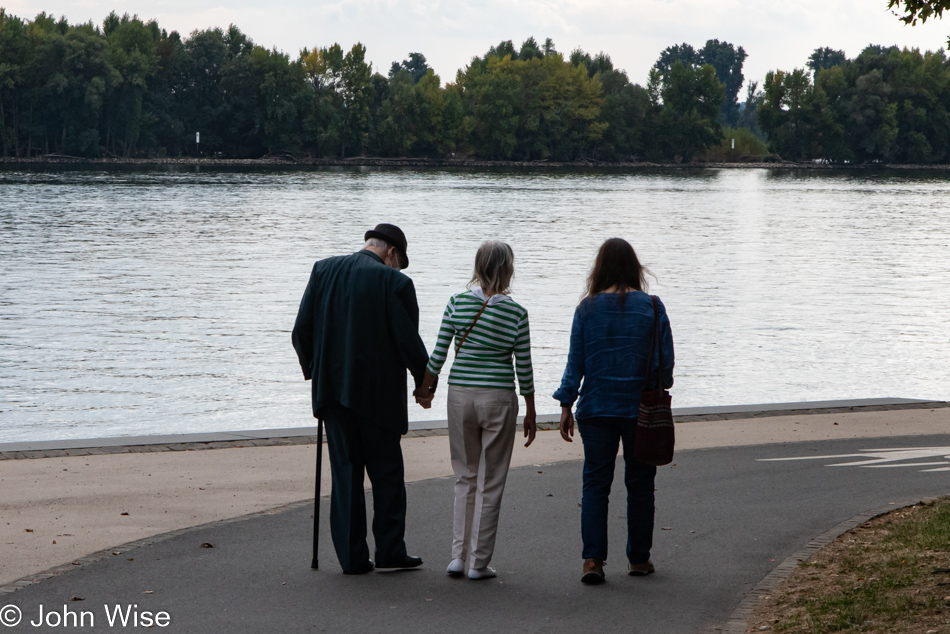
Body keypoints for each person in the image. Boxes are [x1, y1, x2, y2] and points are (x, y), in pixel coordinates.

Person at [292, 223, 435, 575]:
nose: (397, 268)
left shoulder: (323, 269)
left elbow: (301, 332)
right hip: (377, 395)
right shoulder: (395, 283)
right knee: (387, 473)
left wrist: (317, 371)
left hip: (332, 394)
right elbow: (407, 341)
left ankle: (352, 558)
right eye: (398, 262)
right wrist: (424, 382)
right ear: (391, 252)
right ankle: (389, 551)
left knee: (345, 474)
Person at [553, 238, 674, 585]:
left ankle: (592, 560)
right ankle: (638, 559)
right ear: (635, 267)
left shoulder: (587, 308)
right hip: (640, 409)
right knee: (640, 484)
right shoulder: (651, 307)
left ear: (600, 267)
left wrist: (566, 403)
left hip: (596, 406)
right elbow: (665, 362)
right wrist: (656, 383)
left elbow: (575, 362)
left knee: (595, 484)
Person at [417, 240, 537, 580]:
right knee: (491, 481)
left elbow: (438, 355)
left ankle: (457, 556)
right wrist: (529, 408)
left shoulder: (456, 303)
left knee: (464, 476)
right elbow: (523, 367)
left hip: (459, 397)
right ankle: (478, 563)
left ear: (477, 266)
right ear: (508, 269)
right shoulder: (516, 313)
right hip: (498, 397)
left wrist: (425, 390)